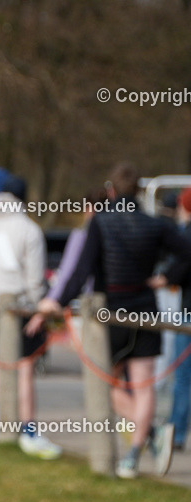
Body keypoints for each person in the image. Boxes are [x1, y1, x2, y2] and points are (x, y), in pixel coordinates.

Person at [37, 164, 191, 478]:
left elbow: (82, 271)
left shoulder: (101, 224)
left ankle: (145, 435)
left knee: (104, 383)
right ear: (136, 191)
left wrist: (55, 302)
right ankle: (135, 453)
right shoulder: (154, 225)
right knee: (142, 383)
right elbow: (187, 253)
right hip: (146, 309)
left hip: (113, 311)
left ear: (110, 191)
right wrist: (165, 278)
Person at [0, 177, 61, 459]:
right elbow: (35, 278)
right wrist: (37, 309)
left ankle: (8, 417)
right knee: (22, 369)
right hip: (18, 305)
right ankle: (26, 427)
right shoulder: (28, 229)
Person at [165, 187, 191, 451]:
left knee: (183, 376)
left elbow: (175, 273)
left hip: (189, 313)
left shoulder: (185, 236)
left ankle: (177, 431)